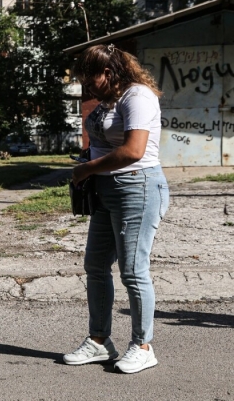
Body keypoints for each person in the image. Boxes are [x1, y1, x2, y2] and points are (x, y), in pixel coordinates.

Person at [64, 44, 170, 374]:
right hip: (106, 190)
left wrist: (87, 169)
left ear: (108, 73)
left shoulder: (137, 97)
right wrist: (88, 163)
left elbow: (133, 151)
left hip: (136, 187)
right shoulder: (110, 99)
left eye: (90, 79)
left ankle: (143, 346)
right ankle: (99, 341)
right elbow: (103, 141)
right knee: (95, 265)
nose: (87, 86)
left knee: (133, 271)